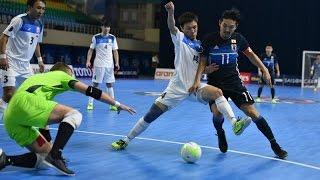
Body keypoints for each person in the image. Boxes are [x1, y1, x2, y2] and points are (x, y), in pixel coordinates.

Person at [111, 1, 251, 151]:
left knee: (217, 92)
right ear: (183, 28)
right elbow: (171, 26)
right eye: (189, 28)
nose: (193, 30)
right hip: (177, 87)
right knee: (152, 114)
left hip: (194, 87)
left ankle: (234, 123)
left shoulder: (200, 46)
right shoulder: (180, 38)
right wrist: (170, 12)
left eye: (195, 27)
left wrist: (206, 70)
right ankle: (125, 140)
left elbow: (197, 66)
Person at [0, 62, 136, 176]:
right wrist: (117, 104)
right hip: (26, 102)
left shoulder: (40, 80)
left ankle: (5, 160)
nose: (73, 77)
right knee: (74, 115)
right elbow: (91, 91)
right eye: (71, 74)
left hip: (10, 116)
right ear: (67, 72)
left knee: (44, 160)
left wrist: (50, 145)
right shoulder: (62, 75)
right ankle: (56, 155)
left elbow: (44, 123)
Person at [191, 8, 287, 159]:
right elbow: (202, 61)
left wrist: (264, 69)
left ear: (235, 27)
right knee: (217, 113)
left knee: (252, 112)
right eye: (225, 25)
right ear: (219, 23)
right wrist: (197, 80)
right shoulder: (209, 39)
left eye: (231, 27)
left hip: (234, 82)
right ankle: (221, 133)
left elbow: (251, 55)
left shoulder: (239, 39)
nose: (227, 29)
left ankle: (274, 144)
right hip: (215, 83)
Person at [0, 0, 46, 112]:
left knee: (33, 91)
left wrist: (40, 60)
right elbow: (3, 37)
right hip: (10, 62)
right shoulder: (19, 20)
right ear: (30, 7)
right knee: (9, 94)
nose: (41, 11)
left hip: (26, 65)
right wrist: (2, 57)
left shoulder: (40, 24)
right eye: (38, 8)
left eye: (43, 9)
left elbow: (36, 43)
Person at [86, 20, 120, 111]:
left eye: (108, 27)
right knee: (95, 84)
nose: (107, 28)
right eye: (105, 26)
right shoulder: (96, 37)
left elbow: (115, 51)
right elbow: (91, 50)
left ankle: (112, 104)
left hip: (109, 65)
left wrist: (117, 62)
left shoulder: (113, 38)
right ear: (101, 27)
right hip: (99, 65)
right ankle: (90, 104)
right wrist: (88, 61)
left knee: (109, 84)